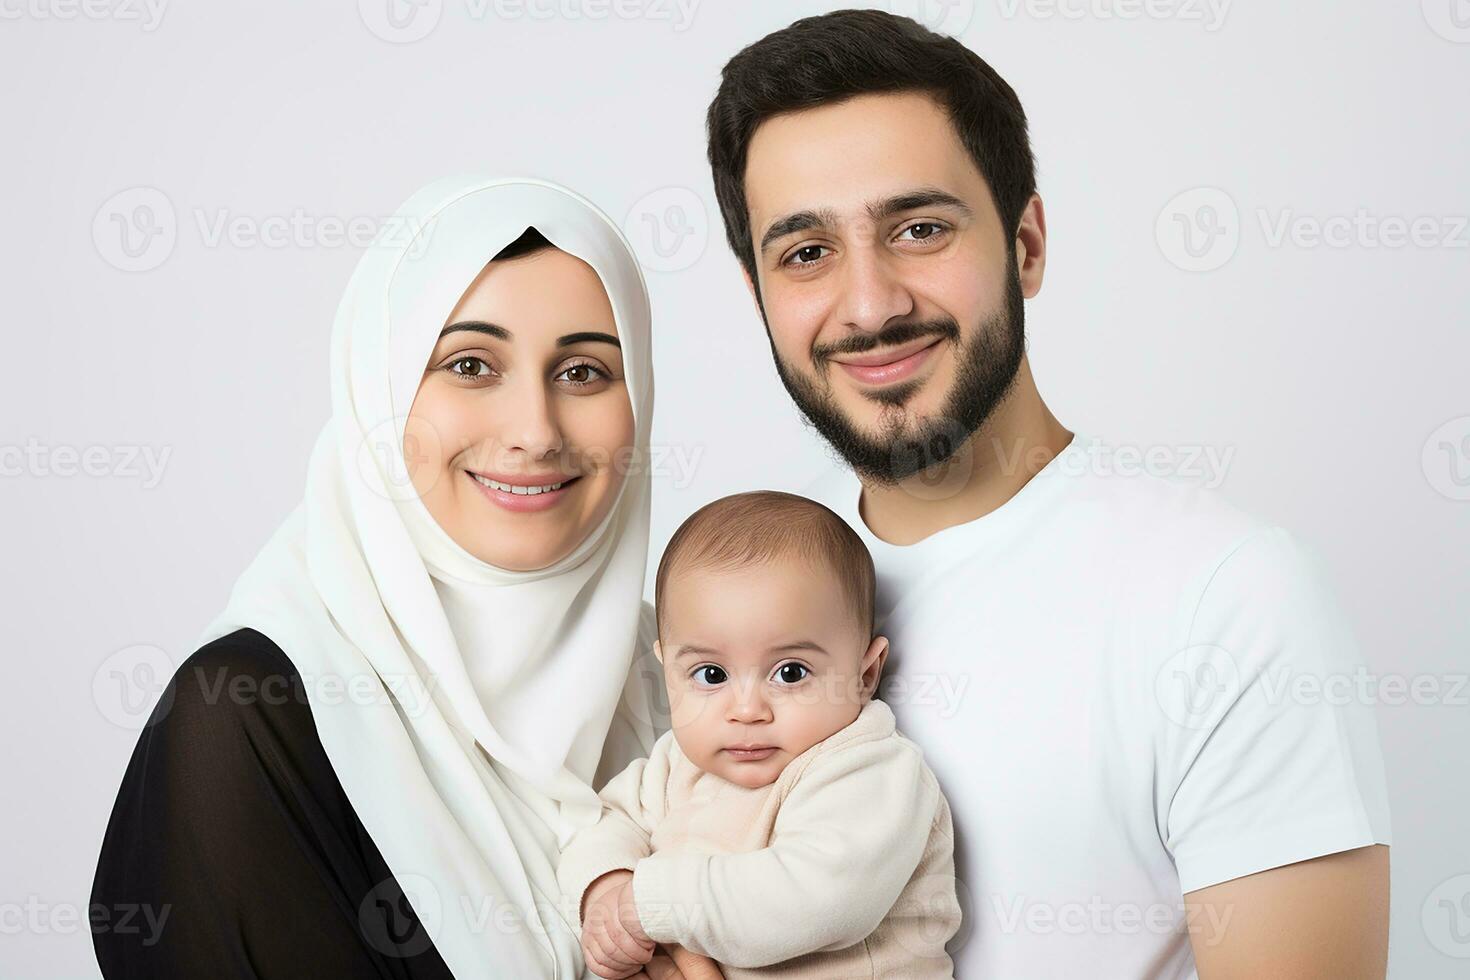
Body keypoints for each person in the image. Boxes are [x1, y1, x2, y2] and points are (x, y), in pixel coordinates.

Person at [704, 10, 1392, 978]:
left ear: (1026, 243)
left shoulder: (1227, 595)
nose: (870, 302)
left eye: (919, 227)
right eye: (806, 251)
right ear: (760, 293)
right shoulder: (735, 592)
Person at [89, 175, 711, 979]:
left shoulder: (704, 683)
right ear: (378, 387)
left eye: (585, 371)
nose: (534, 430)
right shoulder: (245, 720)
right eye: (471, 364)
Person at [559, 491, 961, 979]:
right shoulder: (675, 763)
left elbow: (817, 899)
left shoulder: (869, 769)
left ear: (866, 674)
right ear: (666, 672)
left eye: (790, 672)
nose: (746, 710)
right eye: (711, 675)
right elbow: (605, 820)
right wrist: (608, 887)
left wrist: (649, 900)